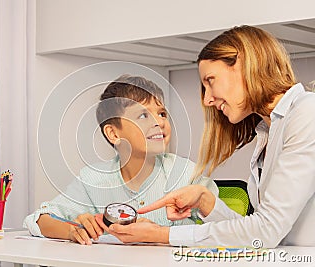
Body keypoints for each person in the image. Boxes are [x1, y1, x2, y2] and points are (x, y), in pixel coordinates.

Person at [96, 25, 315, 248]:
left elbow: (266, 232)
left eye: (210, 81)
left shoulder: (307, 112)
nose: (207, 100)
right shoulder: (267, 132)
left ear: (244, 65)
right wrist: (205, 200)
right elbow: (254, 234)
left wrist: (161, 234)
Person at [23, 74, 218, 245]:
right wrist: (72, 230)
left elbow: (227, 231)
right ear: (113, 134)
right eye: (143, 115)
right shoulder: (93, 179)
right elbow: (38, 220)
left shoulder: (188, 175)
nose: (159, 122)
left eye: (162, 113)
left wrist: (161, 235)